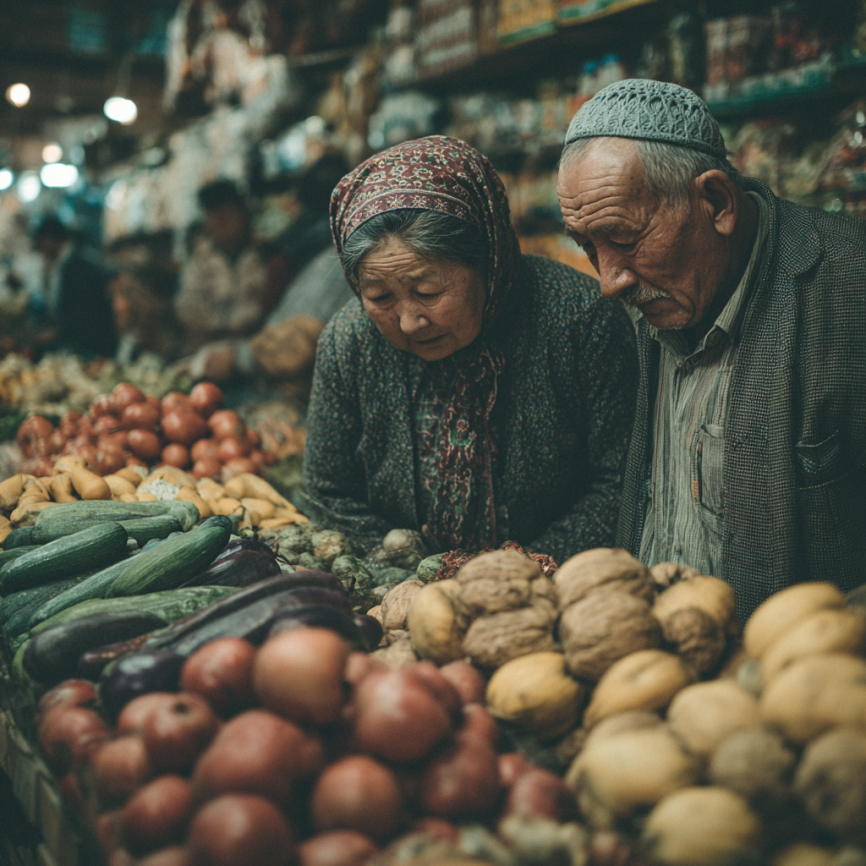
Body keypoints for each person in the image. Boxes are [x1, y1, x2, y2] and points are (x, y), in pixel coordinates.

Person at [557, 78, 866, 618]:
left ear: (717, 202)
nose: (609, 281)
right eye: (587, 247)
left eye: (625, 240)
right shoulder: (648, 303)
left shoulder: (848, 288)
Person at [302, 135, 638, 562]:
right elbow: (328, 490)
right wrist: (411, 574)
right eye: (380, 298)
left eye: (427, 290)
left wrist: (519, 572)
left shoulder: (578, 318)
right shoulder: (349, 341)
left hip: (561, 587)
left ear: (489, 258)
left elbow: (621, 481)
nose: (408, 322)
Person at [174, 179, 290, 352]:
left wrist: (244, 325)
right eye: (213, 215)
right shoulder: (199, 259)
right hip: (208, 349)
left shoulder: (267, 254)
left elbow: (273, 306)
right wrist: (221, 328)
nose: (221, 222)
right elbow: (187, 306)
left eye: (226, 213)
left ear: (242, 212)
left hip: (259, 347)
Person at [28, 216, 117, 358]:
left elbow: (87, 314)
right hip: (79, 344)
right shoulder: (60, 264)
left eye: (41, 242)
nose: (40, 249)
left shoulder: (79, 267)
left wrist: (57, 334)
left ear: (51, 239)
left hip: (92, 348)